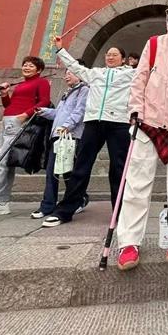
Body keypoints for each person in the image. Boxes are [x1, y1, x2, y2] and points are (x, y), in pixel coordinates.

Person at [116, 2, 168, 270]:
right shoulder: (153, 44)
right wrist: (135, 110)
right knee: (137, 184)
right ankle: (129, 243)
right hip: (149, 122)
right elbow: (139, 79)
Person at [41, 42, 135, 227]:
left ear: (123, 59)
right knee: (81, 167)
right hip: (93, 123)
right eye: (108, 54)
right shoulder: (95, 73)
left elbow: (151, 70)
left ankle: (120, 214)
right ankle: (65, 211)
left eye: (114, 54)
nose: (110, 57)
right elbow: (75, 66)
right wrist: (60, 49)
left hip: (119, 124)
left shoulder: (131, 74)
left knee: (119, 169)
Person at [0, 56, 51, 223]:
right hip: (7, 122)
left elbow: (45, 101)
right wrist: (4, 95)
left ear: (39, 70)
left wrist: (26, 114)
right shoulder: (21, 84)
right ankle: (2, 202)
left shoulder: (41, 82)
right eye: (25, 65)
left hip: (18, 123)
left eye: (31, 66)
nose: (27, 67)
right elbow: (9, 105)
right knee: (7, 163)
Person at [30, 66, 89, 219]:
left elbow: (79, 112)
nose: (66, 76)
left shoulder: (84, 90)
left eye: (70, 73)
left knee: (69, 172)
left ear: (80, 75)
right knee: (52, 172)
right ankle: (48, 205)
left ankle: (78, 200)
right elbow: (59, 113)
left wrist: (66, 126)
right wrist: (44, 111)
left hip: (70, 136)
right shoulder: (67, 92)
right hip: (57, 135)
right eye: (66, 73)